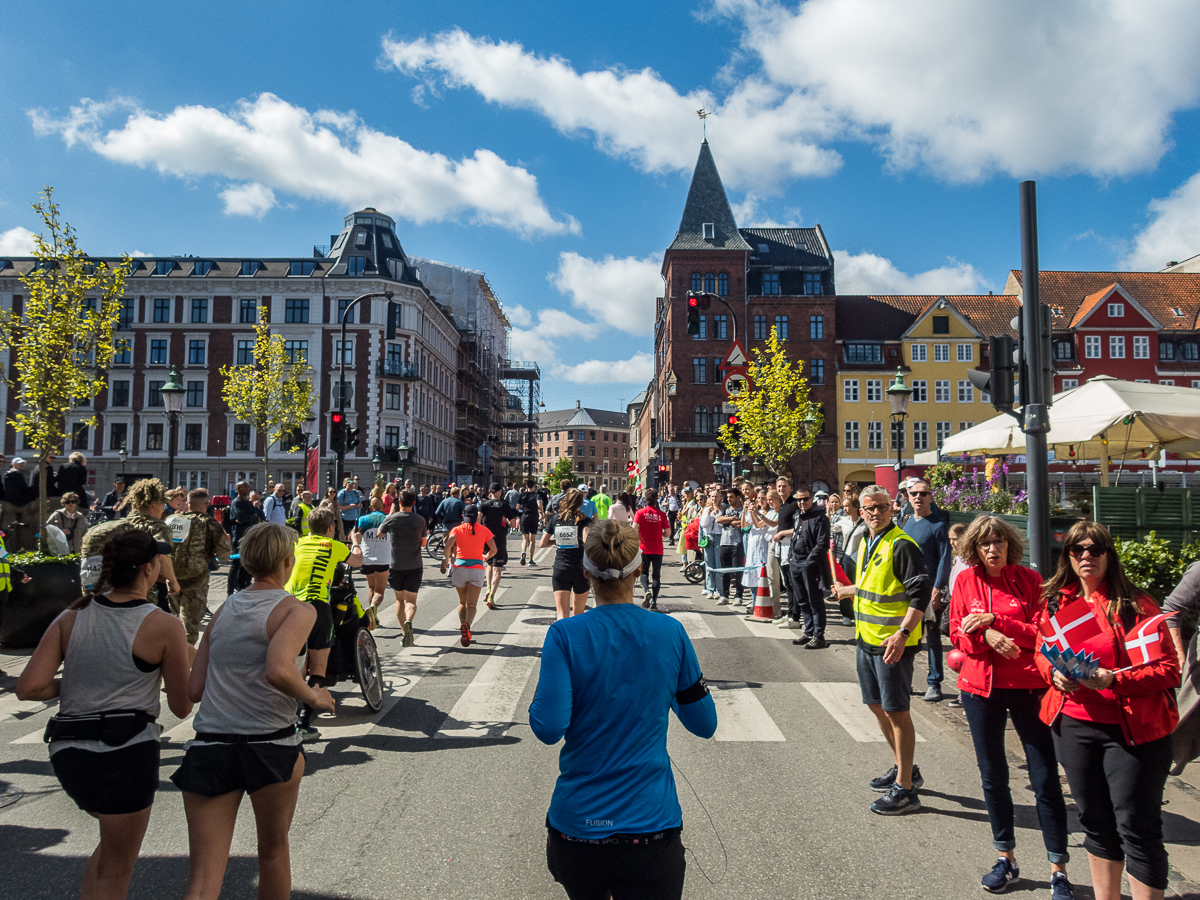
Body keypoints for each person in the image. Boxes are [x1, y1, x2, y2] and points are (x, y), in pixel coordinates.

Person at [529, 519, 718, 900]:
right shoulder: (671, 632)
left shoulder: (564, 635)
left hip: (580, 826)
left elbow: (548, 727)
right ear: (640, 568)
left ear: (585, 573)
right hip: (649, 826)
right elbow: (704, 723)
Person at [16, 531, 191, 900]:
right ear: (149, 568)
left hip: (69, 754)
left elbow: (29, 687)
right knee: (117, 868)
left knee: (108, 852)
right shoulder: (163, 624)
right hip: (125, 752)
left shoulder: (73, 614)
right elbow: (181, 706)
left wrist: (81, 683)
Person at [172, 522, 334, 900]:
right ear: (288, 561)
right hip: (270, 744)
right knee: (273, 853)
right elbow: (278, 669)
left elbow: (194, 690)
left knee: (203, 877)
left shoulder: (226, 608)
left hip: (211, 743)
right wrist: (315, 697)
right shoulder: (297, 610)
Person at [1036, 521, 1180, 900]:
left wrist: (1115, 681)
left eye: (1095, 549)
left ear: (1108, 555)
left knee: (1136, 826)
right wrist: (1053, 674)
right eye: (1077, 549)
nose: (1086, 556)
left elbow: (1168, 669)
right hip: (1074, 726)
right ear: (1066, 556)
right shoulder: (1056, 600)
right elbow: (1041, 648)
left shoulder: (1135, 604)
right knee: (1095, 824)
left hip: (1134, 731)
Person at [949, 515, 1074, 897]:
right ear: (974, 547)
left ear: (1010, 544)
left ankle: (1059, 869)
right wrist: (986, 634)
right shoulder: (965, 581)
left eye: (999, 541)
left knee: (1045, 778)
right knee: (993, 776)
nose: (993, 549)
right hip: (980, 688)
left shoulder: (1030, 580)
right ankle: (1007, 858)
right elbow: (956, 631)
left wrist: (995, 620)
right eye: (985, 543)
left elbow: (1042, 633)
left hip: (1029, 686)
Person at [853, 484, 931, 815]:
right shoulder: (867, 541)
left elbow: (919, 595)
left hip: (893, 644)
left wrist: (901, 634)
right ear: (861, 512)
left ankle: (906, 789)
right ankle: (904, 767)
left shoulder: (901, 544)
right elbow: (877, 587)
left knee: (897, 711)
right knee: (876, 705)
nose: (875, 513)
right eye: (869, 508)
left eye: (882, 507)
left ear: (892, 508)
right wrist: (849, 590)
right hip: (866, 638)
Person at [284, 507, 363, 742]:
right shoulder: (334, 545)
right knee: (318, 669)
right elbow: (357, 562)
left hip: (288, 605)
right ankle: (303, 725)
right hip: (316, 606)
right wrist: (356, 542)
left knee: (296, 666)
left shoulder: (296, 543)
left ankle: (284, 720)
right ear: (331, 528)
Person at [901, 479, 952, 701]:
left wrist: (938, 588)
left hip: (929, 589)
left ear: (931, 497)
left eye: (923, 493)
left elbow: (944, 559)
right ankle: (906, 680)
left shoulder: (938, 526)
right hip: (908, 590)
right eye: (914, 494)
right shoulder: (907, 523)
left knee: (932, 639)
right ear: (908, 497)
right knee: (908, 636)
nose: (918, 497)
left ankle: (934, 683)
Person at [168, 489, 232, 646]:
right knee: (189, 627)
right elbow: (224, 555)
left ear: (187, 503)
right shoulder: (209, 524)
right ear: (206, 504)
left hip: (171, 578)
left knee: (173, 621)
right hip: (195, 581)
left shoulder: (171, 520)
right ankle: (184, 665)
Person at [780, 485, 831, 647]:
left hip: (811, 565)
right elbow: (795, 537)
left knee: (814, 601)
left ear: (812, 499)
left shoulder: (820, 518)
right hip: (795, 563)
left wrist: (809, 563)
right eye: (799, 499)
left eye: (805, 499)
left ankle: (819, 635)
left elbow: (822, 544)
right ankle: (808, 632)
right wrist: (791, 558)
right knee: (802, 600)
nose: (802, 502)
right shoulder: (797, 516)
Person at [440, 505, 497, 647]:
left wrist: (446, 561)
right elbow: (494, 549)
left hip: (459, 568)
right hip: (476, 569)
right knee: (472, 605)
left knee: (462, 603)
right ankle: (467, 626)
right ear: (477, 516)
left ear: (463, 515)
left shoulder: (457, 529)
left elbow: (447, 546)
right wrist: (484, 557)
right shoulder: (484, 530)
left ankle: (462, 626)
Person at [378, 490, 428, 648]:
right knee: (411, 601)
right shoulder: (420, 520)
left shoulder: (392, 519)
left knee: (399, 600)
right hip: (415, 566)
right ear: (414, 503)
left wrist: (389, 515)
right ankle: (409, 621)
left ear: (399, 502)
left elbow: (379, 533)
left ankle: (404, 632)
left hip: (396, 566)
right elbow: (424, 544)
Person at [540, 490, 593, 620]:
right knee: (579, 613)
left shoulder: (555, 519)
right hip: (580, 569)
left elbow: (542, 543)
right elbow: (587, 542)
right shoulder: (585, 520)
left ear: (566, 500)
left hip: (560, 568)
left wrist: (558, 541)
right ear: (581, 503)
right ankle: (576, 640)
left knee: (562, 615)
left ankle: (562, 640)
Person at [479, 483, 519, 609]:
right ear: (500, 492)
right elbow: (513, 524)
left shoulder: (484, 504)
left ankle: (488, 588)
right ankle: (491, 596)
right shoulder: (504, 505)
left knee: (489, 564)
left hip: (487, 538)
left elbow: (479, 517)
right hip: (500, 538)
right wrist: (507, 522)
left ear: (490, 491)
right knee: (498, 568)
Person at [633, 488, 669, 610]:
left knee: (643, 572)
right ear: (656, 499)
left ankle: (646, 591)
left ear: (646, 499)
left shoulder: (640, 512)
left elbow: (633, 528)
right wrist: (662, 534)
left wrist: (638, 534)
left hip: (643, 547)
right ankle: (654, 602)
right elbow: (668, 533)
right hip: (658, 548)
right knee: (656, 575)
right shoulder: (661, 514)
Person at [354, 497, 391, 615]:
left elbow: (354, 534)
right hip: (383, 559)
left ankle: (372, 616)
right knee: (379, 592)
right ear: (384, 507)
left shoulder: (363, 519)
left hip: (366, 559)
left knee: (371, 588)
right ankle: (373, 608)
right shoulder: (388, 519)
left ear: (370, 508)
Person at [227, 481, 264, 595]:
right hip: (239, 537)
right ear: (237, 489)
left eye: (248, 487)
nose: (246, 489)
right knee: (236, 564)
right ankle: (230, 590)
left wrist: (251, 516)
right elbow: (241, 518)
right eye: (243, 487)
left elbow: (256, 515)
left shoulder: (247, 503)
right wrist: (251, 517)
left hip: (249, 536)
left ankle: (242, 587)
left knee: (246, 564)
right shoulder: (236, 503)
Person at [716, 488, 745, 606]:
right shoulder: (725, 508)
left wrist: (726, 520)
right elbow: (718, 519)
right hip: (724, 542)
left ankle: (738, 595)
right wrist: (732, 518)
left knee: (737, 571)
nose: (729, 500)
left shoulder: (743, 509)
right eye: (727, 497)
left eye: (731, 497)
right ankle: (725, 595)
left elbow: (740, 524)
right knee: (725, 571)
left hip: (737, 543)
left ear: (738, 497)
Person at [699, 488, 724, 600]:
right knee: (709, 563)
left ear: (720, 498)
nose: (714, 499)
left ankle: (718, 589)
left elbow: (723, 526)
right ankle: (709, 588)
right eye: (712, 496)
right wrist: (708, 514)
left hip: (719, 537)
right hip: (708, 537)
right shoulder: (706, 510)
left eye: (716, 497)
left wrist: (718, 514)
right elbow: (703, 525)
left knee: (718, 565)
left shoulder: (723, 509)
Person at [517, 478, 545, 567]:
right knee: (532, 540)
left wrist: (524, 509)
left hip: (525, 517)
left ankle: (523, 551)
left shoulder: (522, 495)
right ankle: (531, 559)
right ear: (534, 486)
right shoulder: (536, 495)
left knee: (524, 539)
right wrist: (541, 511)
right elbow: (539, 504)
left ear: (526, 486)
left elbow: (517, 507)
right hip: (534, 518)